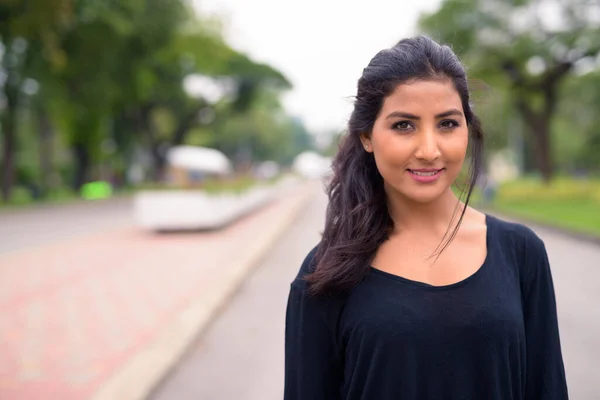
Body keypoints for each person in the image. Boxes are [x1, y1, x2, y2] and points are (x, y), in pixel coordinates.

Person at [284, 36, 568, 400]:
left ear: (468, 129)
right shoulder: (325, 274)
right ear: (367, 136)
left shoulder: (521, 253)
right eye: (404, 125)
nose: (429, 150)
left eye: (448, 124)